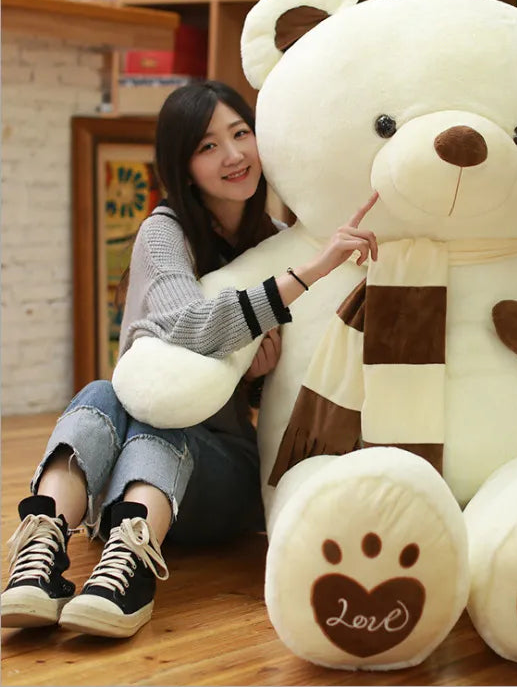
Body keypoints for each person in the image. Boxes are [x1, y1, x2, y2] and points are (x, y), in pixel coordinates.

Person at [1, 80, 379, 639]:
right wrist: (308, 274)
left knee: (160, 418)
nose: (233, 155)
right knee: (105, 394)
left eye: (241, 134)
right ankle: (40, 552)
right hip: (139, 477)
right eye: (208, 146)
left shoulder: (280, 242)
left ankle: (129, 569)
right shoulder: (165, 234)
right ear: (183, 166)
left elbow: (286, 383)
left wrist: (254, 378)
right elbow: (188, 327)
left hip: (225, 475)